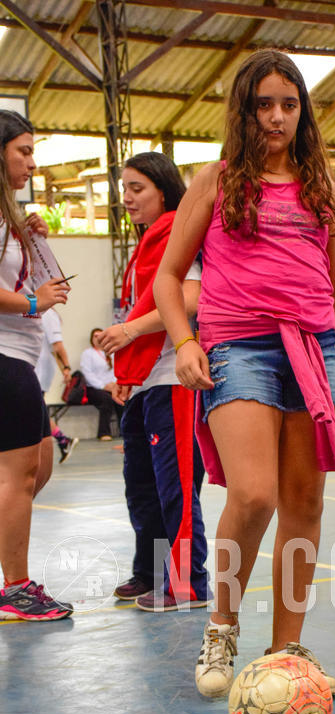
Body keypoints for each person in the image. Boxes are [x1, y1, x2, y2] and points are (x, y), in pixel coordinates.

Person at [154, 50, 335, 698]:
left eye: (289, 104)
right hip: (237, 350)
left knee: (305, 502)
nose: (277, 117)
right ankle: (221, 626)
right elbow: (170, 277)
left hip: (314, 351)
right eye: (264, 105)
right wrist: (185, 342)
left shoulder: (321, 185)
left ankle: (287, 653)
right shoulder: (216, 183)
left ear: (302, 111)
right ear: (244, 112)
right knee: (254, 496)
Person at [97, 152, 211, 613]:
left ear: (163, 190)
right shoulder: (145, 247)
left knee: (177, 488)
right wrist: (127, 372)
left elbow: (191, 297)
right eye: (124, 189)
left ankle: (188, 583)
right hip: (145, 383)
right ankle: (149, 570)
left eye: (137, 188)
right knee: (141, 485)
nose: (127, 198)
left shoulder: (181, 236)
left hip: (175, 379)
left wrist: (129, 332)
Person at [0, 110, 73, 621]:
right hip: (4, 354)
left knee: (38, 466)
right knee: (19, 476)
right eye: (23, 151)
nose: (31, 162)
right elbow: (27, 297)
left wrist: (30, 237)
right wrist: (32, 304)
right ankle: (16, 588)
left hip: (18, 356)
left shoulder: (10, 217)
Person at [35, 307, 78, 463]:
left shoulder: (48, 314)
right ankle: (63, 441)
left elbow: (57, 346)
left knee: (36, 410)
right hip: (35, 368)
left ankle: (62, 441)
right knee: (36, 410)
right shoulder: (35, 311)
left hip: (38, 371)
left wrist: (66, 368)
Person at [79, 327, 124, 440]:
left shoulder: (111, 352)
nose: (97, 338)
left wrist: (114, 384)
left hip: (111, 387)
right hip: (94, 388)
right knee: (106, 400)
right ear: (91, 339)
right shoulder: (88, 353)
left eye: (100, 335)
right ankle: (104, 433)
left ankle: (124, 431)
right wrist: (103, 386)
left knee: (121, 399)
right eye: (95, 336)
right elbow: (88, 374)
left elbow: (116, 370)